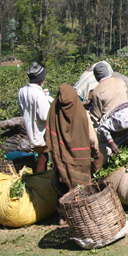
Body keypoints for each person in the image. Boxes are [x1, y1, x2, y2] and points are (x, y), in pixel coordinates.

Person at [45, 84, 99, 224]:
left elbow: (49, 136)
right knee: (81, 187)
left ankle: (63, 216)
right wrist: (97, 151)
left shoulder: (54, 113)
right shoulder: (80, 112)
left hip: (61, 158)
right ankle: (81, 215)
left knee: (63, 188)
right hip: (80, 160)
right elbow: (92, 137)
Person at [17, 62, 53, 173]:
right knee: (43, 158)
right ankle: (40, 179)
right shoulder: (38, 94)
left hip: (30, 129)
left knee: (41, 156)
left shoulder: (22, 91)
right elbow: (44, 115)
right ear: (41, 79)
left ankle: (41, 177)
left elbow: (21, 110)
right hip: (41, 132)